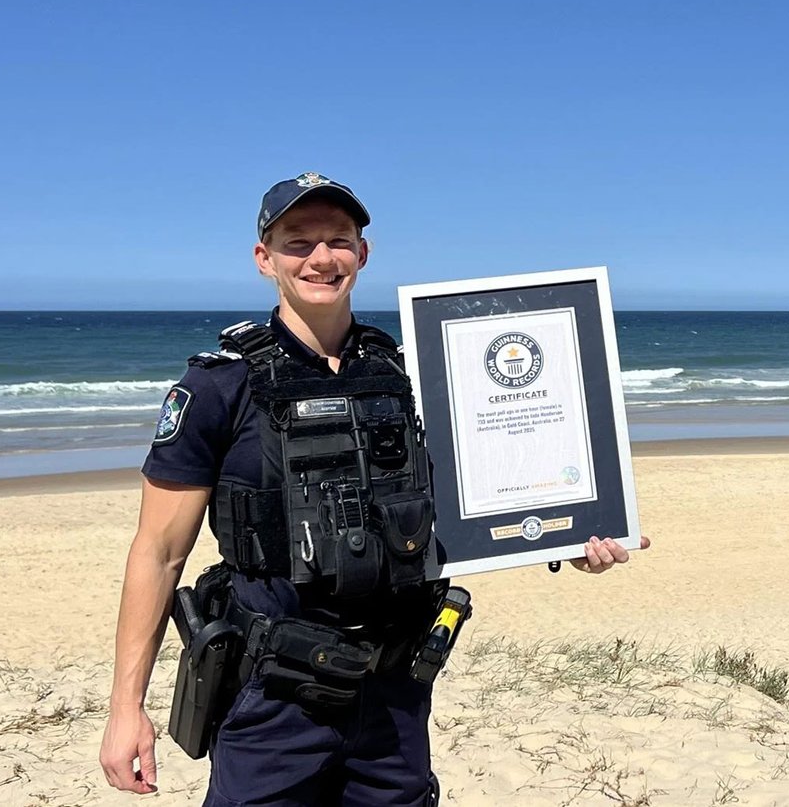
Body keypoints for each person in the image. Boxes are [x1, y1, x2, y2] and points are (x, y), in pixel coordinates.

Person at [99, 172, 650, 805]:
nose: (321, 257)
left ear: (362, 253)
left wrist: (566, 534)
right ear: (264, 259)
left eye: (339, 239)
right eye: (298, 241)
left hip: (394, 694)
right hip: (273, 697)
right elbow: (158, 551)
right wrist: (125, 708)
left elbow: (482, 489)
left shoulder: (415, 377)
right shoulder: (217, 388)